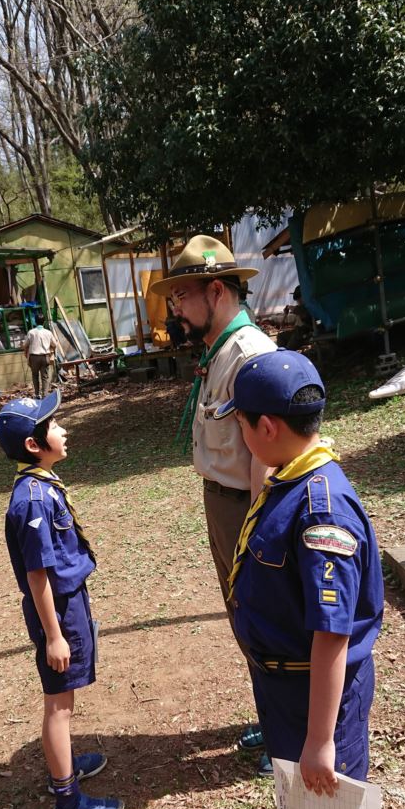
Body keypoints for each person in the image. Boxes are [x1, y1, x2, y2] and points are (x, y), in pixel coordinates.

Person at [216, 350, 391, 809]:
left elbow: (332, 633)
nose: (237, 433)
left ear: (264, 427)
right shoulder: (290, 473)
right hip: (286, 685)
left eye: (240, 422)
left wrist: (322, 735)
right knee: (308, 800)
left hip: (321, 693)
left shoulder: (322, 507)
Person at [150, 235, 276, 772]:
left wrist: (260, 534)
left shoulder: (249, 356)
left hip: (245, 509)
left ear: (216, 290)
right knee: (246, 619)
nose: (175, 308)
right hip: (222, 503)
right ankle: (275, 719)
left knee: (266, 617)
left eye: (182, 296)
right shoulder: (220, 350)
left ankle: (287, 734)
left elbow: (267, 459)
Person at [0, 392, 124, 809]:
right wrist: (54, 635)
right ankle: (67, 802)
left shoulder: (42, 486)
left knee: (64, 698)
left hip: (68, 603)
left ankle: (66, 766)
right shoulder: (32, 500)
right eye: (54, 426)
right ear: (34, 444)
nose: (63, 430)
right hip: (57, 610)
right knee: (59, 704)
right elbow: (38, 576)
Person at [23, 314, 56, 398]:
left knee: (35, 375)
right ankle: (45, 395)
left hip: (34, 357)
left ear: (35, 321)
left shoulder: (31, 332)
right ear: (44, 322)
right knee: (45, 377)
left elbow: (25, 345)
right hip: (45, 357)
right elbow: (54, 344)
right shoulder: (48, 332)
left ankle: (37, 394)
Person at [277, 285, 313, 350]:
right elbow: (281, 325)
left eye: (299, 299)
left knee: (289, 348)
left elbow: (304, 313)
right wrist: (285, 315)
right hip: (298, 332)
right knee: (281, 336)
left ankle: (287, 355)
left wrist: (291, 308)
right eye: (297, 300)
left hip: (305, 333)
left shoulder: (311, 306)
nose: (298, 302)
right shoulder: (300, 308)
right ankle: (283, 353)